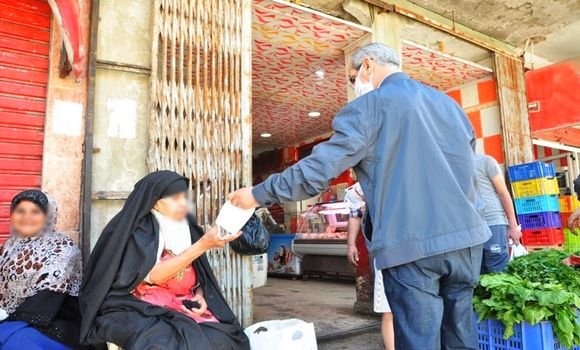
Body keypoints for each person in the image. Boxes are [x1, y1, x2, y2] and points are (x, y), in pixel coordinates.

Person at [229, 42, 490, 349]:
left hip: (413, 245)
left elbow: (316, 171)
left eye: (352, 79)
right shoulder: (449, 106)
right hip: (468, 242)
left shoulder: (368, 108)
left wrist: (257, 194)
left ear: (367, 65)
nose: (355, 87)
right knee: (462, 338)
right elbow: (465, 166)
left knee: (420, 341)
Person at [79, 171, 250, 350]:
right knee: (163, 343)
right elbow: (155, 276)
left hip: (182, 302)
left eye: (185, 197)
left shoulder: (188, 227)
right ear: (155, 202)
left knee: (225, 338)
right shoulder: (136, 230)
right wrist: (203, 244)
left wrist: (200, 295)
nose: (183, 203)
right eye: (175, 198)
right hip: (136, 305)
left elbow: (200, 274)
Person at [0, 190, 84, 350]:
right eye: (20, 211)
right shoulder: (10, 246)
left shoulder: (63, 248)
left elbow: (46, 299)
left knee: (17, 343)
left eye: (35, 212)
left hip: (53, 323)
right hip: (12, 318)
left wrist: (6, 318)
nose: (26, 217)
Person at [345, 183, 395, 350]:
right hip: (386, 252)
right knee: (389, 311)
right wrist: (351, 244)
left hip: (413, 250)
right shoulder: (364, 185)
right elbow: (355, 210)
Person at [475, 154, 522, 273]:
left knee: (498, 270)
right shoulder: (453, 165)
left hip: (493, 222)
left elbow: (503, 193)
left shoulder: (486, 161)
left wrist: (513, 226)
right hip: (471, 227)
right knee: (476, 271)